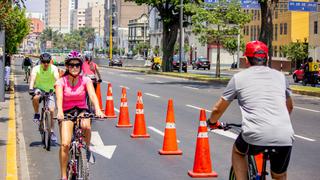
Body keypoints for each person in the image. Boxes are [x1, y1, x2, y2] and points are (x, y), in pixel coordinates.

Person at [207, 41, 294, 180]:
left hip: (254, 134)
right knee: (279, 175)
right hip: (284, 135)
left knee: (238, 152)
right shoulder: (281, 77)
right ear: (267, 58)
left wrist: (212, 123)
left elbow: (218, 109)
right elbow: (289, 107)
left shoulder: (238, 78)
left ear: (246, 60)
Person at [55, 50, 105, 180]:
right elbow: (59, 98)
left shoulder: (86, 80)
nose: (74, 67)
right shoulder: (61, 81)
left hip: (82, 109)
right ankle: (64, 175)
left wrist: (98, 109)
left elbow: (93, 95)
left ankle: (87, 149)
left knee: (87, 126)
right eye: (71, 65)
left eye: (77, 65)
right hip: (66, 112)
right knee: (65, 144)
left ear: (80, 66)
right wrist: (59, 111)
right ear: (67, 66)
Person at [29, 52, 59, 142]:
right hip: (39, 89)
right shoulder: (36, 69)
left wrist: (60, 85)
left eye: (47, 62)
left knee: (52, 110)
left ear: (50, 61)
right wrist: (31, 88)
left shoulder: (54, 68)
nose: (46, 64)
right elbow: (32, 79)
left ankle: (52, 131)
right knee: (36, 98)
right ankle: (36, 114)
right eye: (44, 62)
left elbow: (57, 78)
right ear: (40, 61)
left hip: (50, 91)